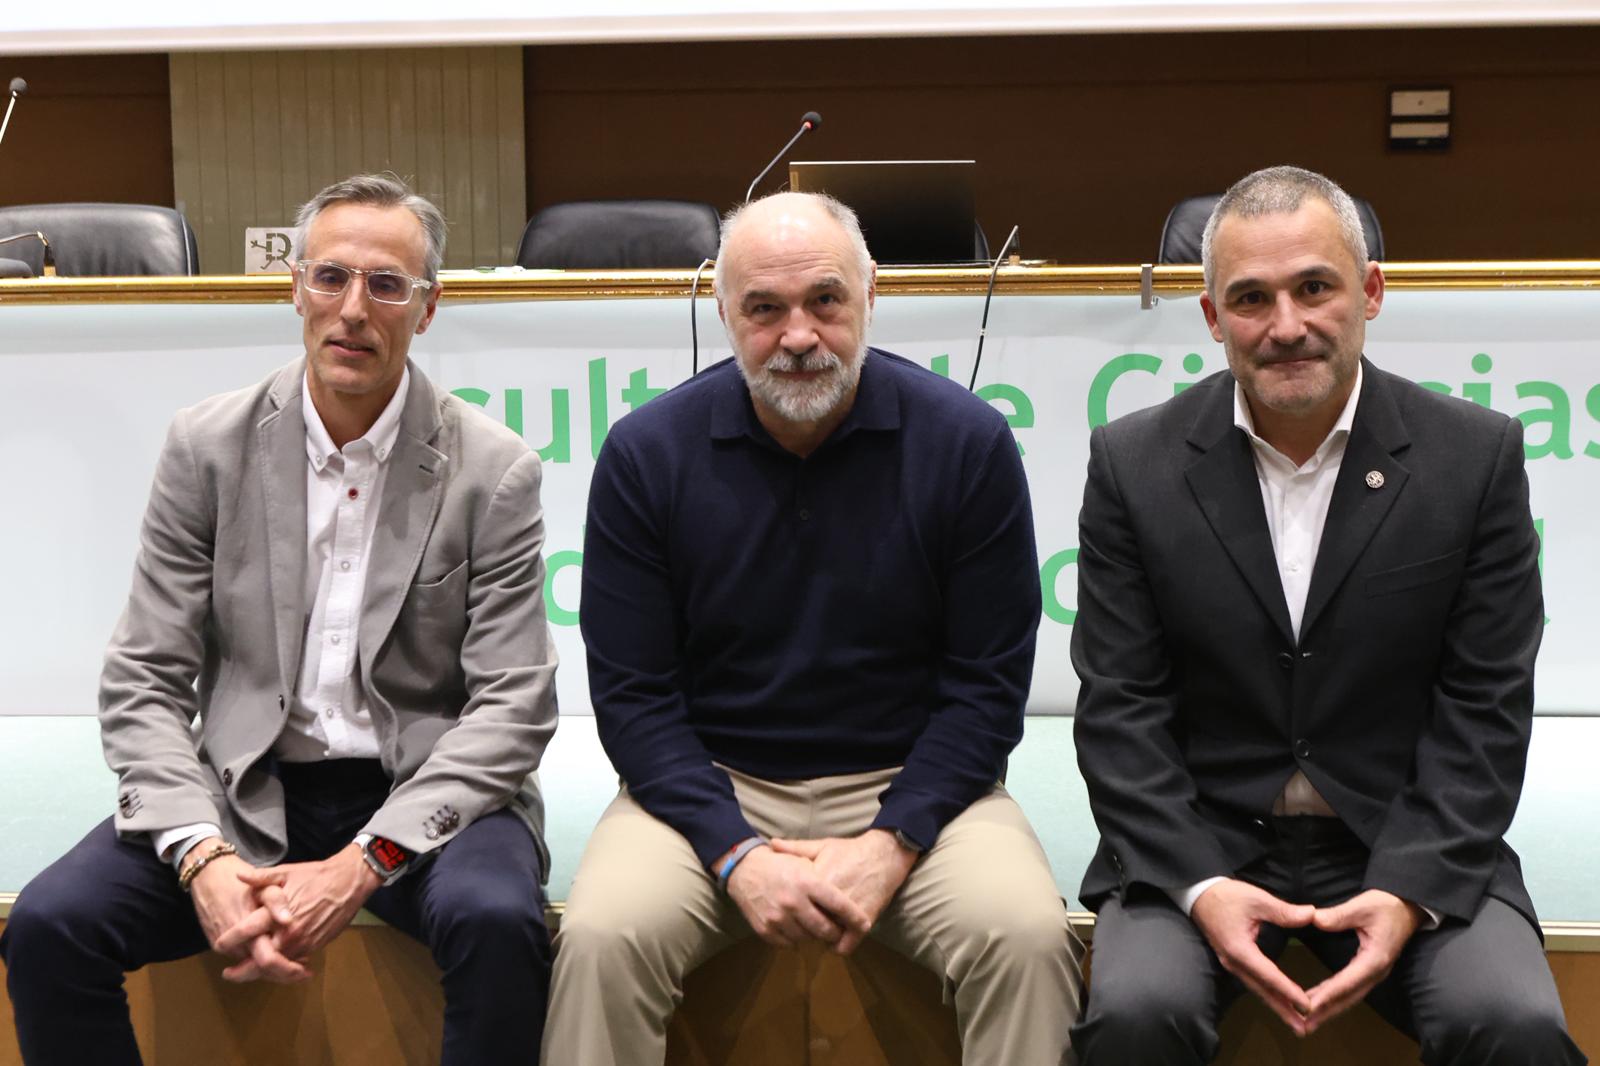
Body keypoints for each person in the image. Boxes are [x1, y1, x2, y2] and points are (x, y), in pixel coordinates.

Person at [1, 173, 560, 1066]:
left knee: (498, 925)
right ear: (294, 286)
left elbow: (512, 709)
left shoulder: (493, 470)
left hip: (418, 787)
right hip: (241, 782)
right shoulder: (205, 447)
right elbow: (144, 678)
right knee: (50, 927)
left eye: (387, 285)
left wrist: (360, 865)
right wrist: (201, 858)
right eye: (330, 277)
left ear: (428, 309)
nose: (352, 310)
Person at [542, 191, 1082, 1065]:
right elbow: (637, 700)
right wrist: (734, 854)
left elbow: (985, 690)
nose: (799, 336)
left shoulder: (968, 443)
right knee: (602, 939)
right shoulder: (648, 454)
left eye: (825, 301)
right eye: (764, 309)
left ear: (871, 292)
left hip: (915, 789)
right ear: (722, 311)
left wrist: (892, 842)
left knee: (1025, 937)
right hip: (709, 788)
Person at [1069, 165, 1583, 1064]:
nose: (1287, 326)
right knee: (1135, 1011)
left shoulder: (1475, 459)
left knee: (1513, 1023)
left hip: (1411, 837)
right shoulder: (1131, 464)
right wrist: (1198, 887)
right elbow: (1120, 709)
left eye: (1315, 287)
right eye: (1252, 298)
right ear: (1212, 317)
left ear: (1371, 291)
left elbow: (1486, 707)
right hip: (1200, 841)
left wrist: (1407, 893)